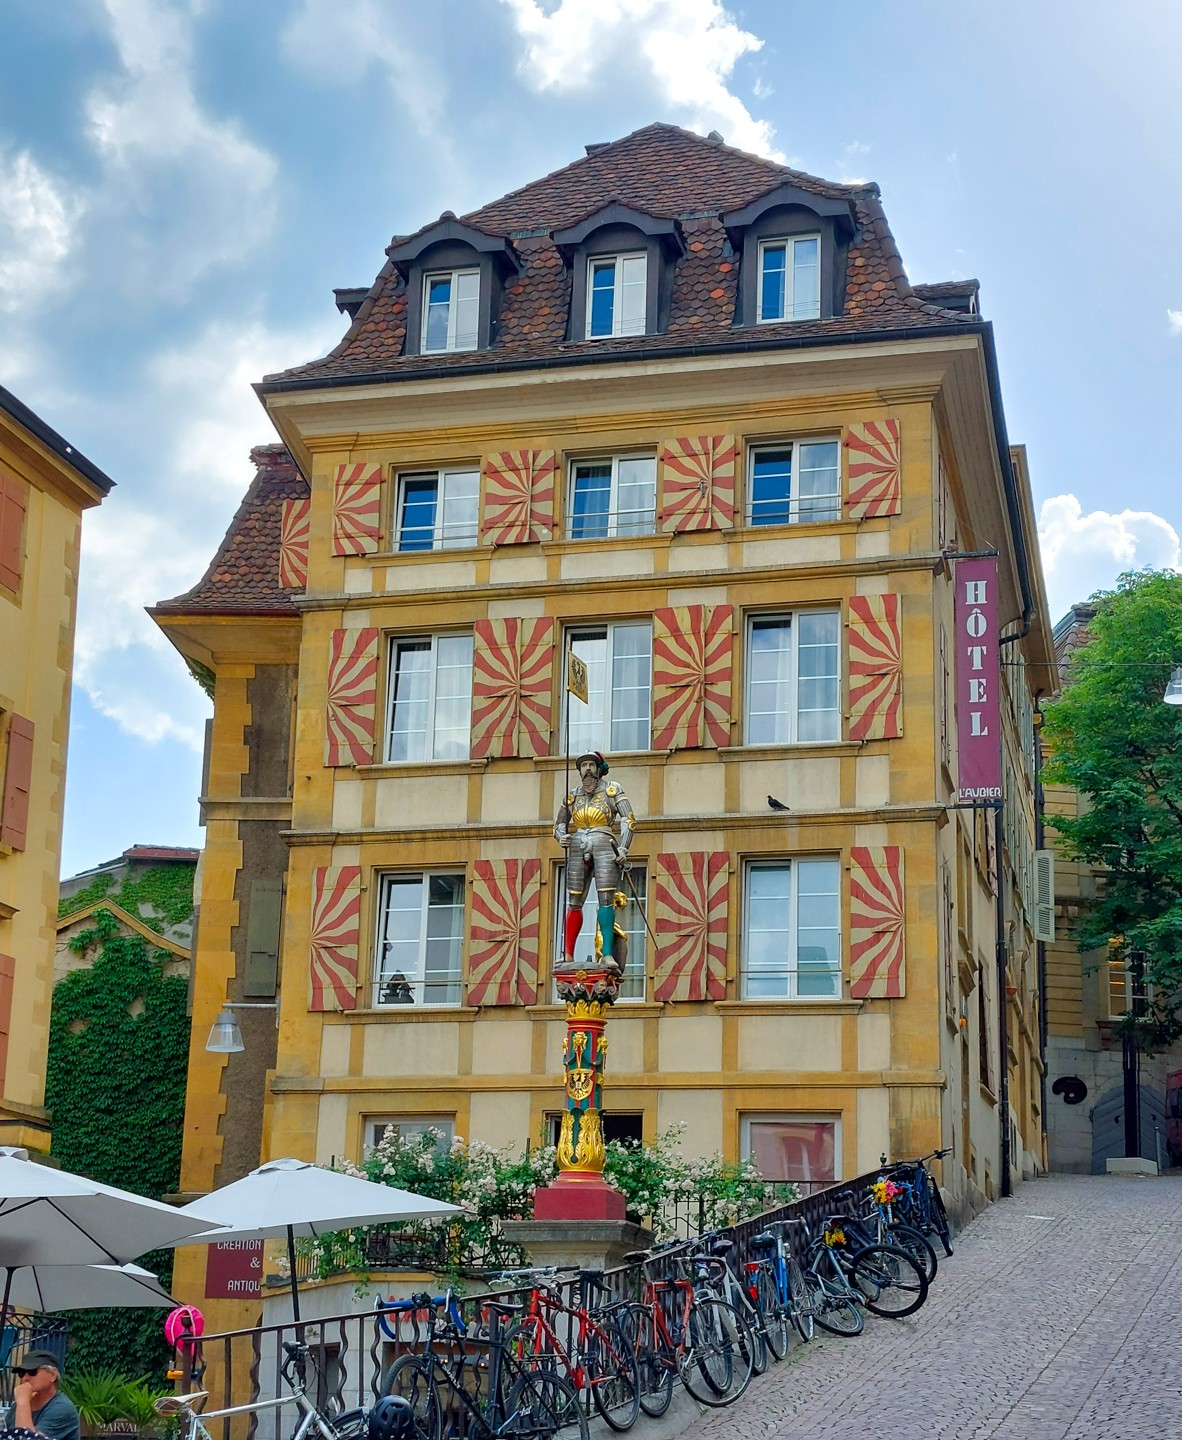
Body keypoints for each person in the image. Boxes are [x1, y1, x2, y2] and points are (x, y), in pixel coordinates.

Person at [554, 751, 635, 971]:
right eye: (584, 766)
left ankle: (607, 954)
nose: (587, 769)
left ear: (599, 769)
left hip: (603, 841)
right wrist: (561, 837)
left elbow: (628, 819)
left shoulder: (612, 789)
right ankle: (568, 953)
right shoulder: (572, 795)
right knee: (574, 900)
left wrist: (623, 847)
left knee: (605, 899)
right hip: (577, 843)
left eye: (591, 765)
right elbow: (559, 824)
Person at [10, 1352, 79, 1440]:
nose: (24, 1378)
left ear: (53, 1375)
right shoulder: (20, 1404)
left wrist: (23, 1404)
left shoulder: (62, 1408)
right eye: (21, 1373)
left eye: (32, 1372)